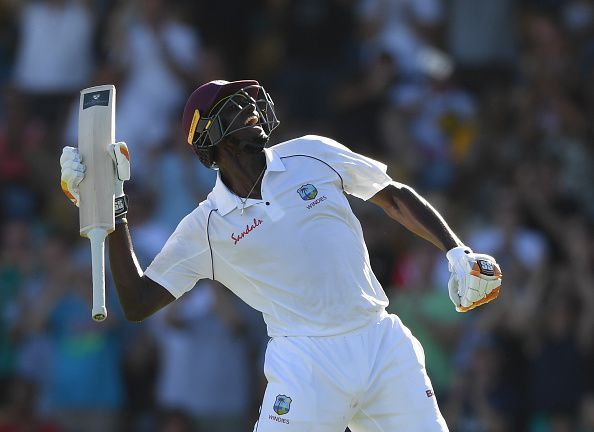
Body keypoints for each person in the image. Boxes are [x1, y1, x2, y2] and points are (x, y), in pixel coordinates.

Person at [59, 79, 503, 431]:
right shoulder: (207, 226)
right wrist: (109, 206)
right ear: (208, 136)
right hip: (306, 364)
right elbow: (137, 302)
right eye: (235, 104)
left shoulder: (313, 153)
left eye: (251, 99)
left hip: (381, 342)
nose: (252, 106)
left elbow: (393, 196)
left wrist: (456, 251)